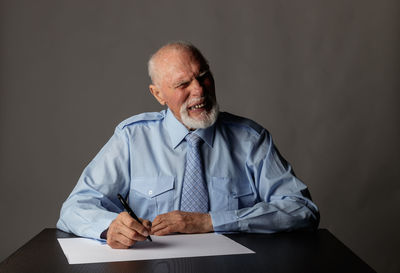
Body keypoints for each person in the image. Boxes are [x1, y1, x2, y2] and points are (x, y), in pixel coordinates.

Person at [57, 41, 319, 249]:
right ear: (158, 93)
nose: (199, 91)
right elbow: (74, 208)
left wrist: (209, 221)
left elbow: (302, 209)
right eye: (183, 84)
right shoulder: (131, 138)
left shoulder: (250, 139)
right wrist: (109, 227)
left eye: (203, 76)